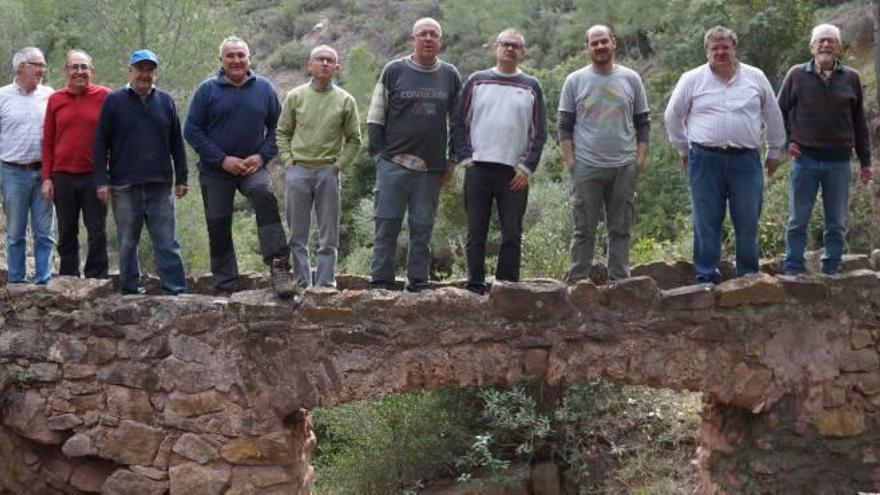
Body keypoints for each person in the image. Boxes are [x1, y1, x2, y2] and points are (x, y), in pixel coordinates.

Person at [664, 26, 785, 284]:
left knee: (748, 218)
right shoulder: (692, 79)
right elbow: (672, 116)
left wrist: (774, 150)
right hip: (705, 160)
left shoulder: (755, 77)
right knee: (706, 219)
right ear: (707, 52)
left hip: (746, 159)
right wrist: (683, 148)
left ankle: (749, 276)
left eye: (725, 47)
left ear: (734, 49)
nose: (720, 52)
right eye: (714, 48)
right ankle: (706, 275)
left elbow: (772, 115)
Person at [185, 36, 294, 298]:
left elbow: (278, 129)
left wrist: (261, 157)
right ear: (220, 60)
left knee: (264, 197)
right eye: (230, 56)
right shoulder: (207, 90)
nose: (236, 60)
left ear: (249, 58)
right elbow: (192, 130)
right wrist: (222, 159)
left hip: (252, 168)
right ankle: (225, 283)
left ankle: (279, 267)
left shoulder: (265, 89)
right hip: (215, 170)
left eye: (240, 55)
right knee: (218, 223)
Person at [366, 17, 463, 292]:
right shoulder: (393, 70)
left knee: (422, 227)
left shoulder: (450, 75)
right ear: (413, 39)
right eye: (423, 34)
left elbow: (458, 122)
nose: (429, 38)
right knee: (386, 225)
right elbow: (375, 114)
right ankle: (380, 283)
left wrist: (453, 161)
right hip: (393, 163)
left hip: (431, 168)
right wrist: (379, 155)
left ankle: (417, 283)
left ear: (440, 41)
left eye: (434, 34)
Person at [454, 28, 547, 295]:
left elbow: (539, 131)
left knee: (511, 234)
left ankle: (507, 288)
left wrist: (526, 167)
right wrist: (465, 158)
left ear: (523, 52)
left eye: (515, 46)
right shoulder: (476, 81)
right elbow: (459, 122)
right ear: (495, 47)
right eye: (505, 44)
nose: (509, 49)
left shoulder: (532, 86)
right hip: (479, 168)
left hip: (514, 173)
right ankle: (475, 287)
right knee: (476, 232)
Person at [778, 24, 873, 276]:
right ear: (812, 46)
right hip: (805, 159)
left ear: (838, 47)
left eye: (831, 41)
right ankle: (793, 267)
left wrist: (866, 162)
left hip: (839, 162)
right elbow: (778, 111)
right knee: (798, 220)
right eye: (820, 41)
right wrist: (788, 141)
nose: (825, 45)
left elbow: (859, 122)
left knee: (836, 222)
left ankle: (832, 268)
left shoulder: (851, 78)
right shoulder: (796, 75)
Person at [93, 49, 188, 295]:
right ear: (130, 70)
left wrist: (183, 177)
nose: (145, 74)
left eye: (150, 69)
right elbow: (100, 143)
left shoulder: (166, 101)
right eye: (140, 69)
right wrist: (101, 181)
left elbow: (177, 141)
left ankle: (175, 290)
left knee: (167, 242)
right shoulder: (114, 101)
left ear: (154, 72)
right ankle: (129, 289)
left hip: (160, 185)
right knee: (127, 243)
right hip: (124, 185)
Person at [558, 25, 649, 283]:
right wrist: (572, 164)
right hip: (586, 166)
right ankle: (577, 285)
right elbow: (564, 126)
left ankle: (620, 284)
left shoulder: (631, 79)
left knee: (620, 229)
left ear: (613, 43)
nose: (599, 47)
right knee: (583, 230)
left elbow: (643, 122)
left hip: (624, 166)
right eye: (594, 43)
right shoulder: (574, 81)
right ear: (586, 47)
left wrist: (640, 159)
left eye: (603, 41)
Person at [276, 45, 361, 289]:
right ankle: (302, 282)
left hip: (328, 172)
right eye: (319, 59)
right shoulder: (295, 96)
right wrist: (288, 162)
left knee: (328, 234)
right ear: (310, 65)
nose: (324, 63)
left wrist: (338, 166)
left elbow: (355, 139)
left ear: (337, 68)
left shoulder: (346, 100)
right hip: (298, 170)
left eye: (330, 60)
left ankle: (325, 284)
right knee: (297, 234)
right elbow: (282, 132)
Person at [41, 50, 111, 279]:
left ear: (92, 70)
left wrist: (109, 175)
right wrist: (47, 178)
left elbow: (116, 138)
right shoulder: (56, 99)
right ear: (66, 71)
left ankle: (97, 279)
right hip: (63, 176)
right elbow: (48, 140)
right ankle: (69, 278)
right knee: (67, 231)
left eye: (84, 67)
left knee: (97, 231)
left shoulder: (106, 97)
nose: (79, 72)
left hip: (95, 176)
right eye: (74, 67)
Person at [0, 47, 54, 284]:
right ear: (22, 66)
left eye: (43, 65)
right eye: (37, 65)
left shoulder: (50, 95)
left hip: (43, 172)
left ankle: (43, 280)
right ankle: (17, 281)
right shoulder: (2, 96)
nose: (42, 70)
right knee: (15, 233)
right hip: (12, 172)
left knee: (44, 233)